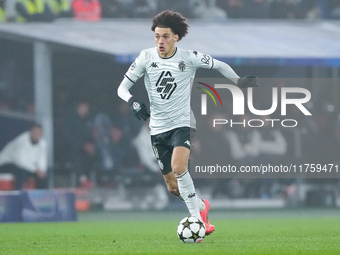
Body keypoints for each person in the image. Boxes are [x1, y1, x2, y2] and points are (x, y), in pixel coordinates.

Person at [117, 10, 257, 235]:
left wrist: (238, 81)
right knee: (173, 187)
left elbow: (219, 65)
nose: (160, 41)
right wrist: (132, 100)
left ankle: (198, 222)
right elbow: (122, 88)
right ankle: (201, 206)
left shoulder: (189, 57)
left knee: (179, 167)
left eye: (165, 36)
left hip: (182, 123)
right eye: (157, 36)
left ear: (176, 37)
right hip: (157, 128)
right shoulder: (145, 57)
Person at [0, 123, 48, 189]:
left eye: (39, 133)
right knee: (22, 172)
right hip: (6, 164)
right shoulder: (22, 140)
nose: (37, 134)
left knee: (44, 176)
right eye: (35, 132)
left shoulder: (43, 143)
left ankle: (42, 197)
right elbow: (20, 161)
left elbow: (42, 159)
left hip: (27, 167)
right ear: (30, 132)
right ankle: (18, 195)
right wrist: (36, 170)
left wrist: (42, 170)